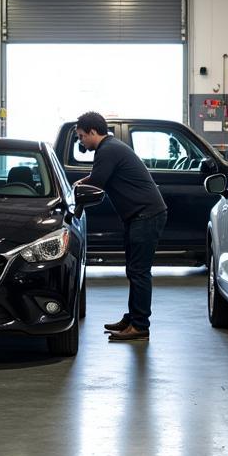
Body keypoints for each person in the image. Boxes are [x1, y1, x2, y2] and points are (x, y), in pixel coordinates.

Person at [76, 111, 167, 342]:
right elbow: (96, 177)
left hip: (146, 215)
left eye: (81, 136)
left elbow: (97, 182)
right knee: (134, 270)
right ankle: (133, 317)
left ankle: (140, 326)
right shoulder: (110, 148)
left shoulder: (107, 150)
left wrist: (77, 187)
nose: (81, 141)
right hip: (139, 216)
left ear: (93, 132)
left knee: (139, 272)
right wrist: (79, 182)